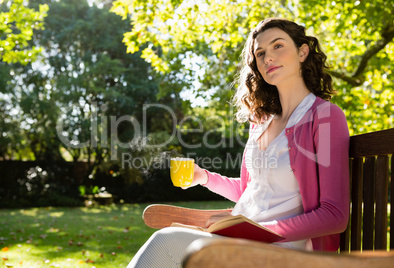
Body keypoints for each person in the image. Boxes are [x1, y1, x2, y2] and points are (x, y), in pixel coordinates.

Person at [127, 18, 350, 268]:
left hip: (283, 252)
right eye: (260, 53)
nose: (268, 58)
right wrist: (204, 178)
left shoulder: (324, 117)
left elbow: (335, 216)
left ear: (302, 52)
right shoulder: (262, 122)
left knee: (166, 243)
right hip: (242, 242)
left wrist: (257, 232)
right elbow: (252, 190)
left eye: (278, 46)